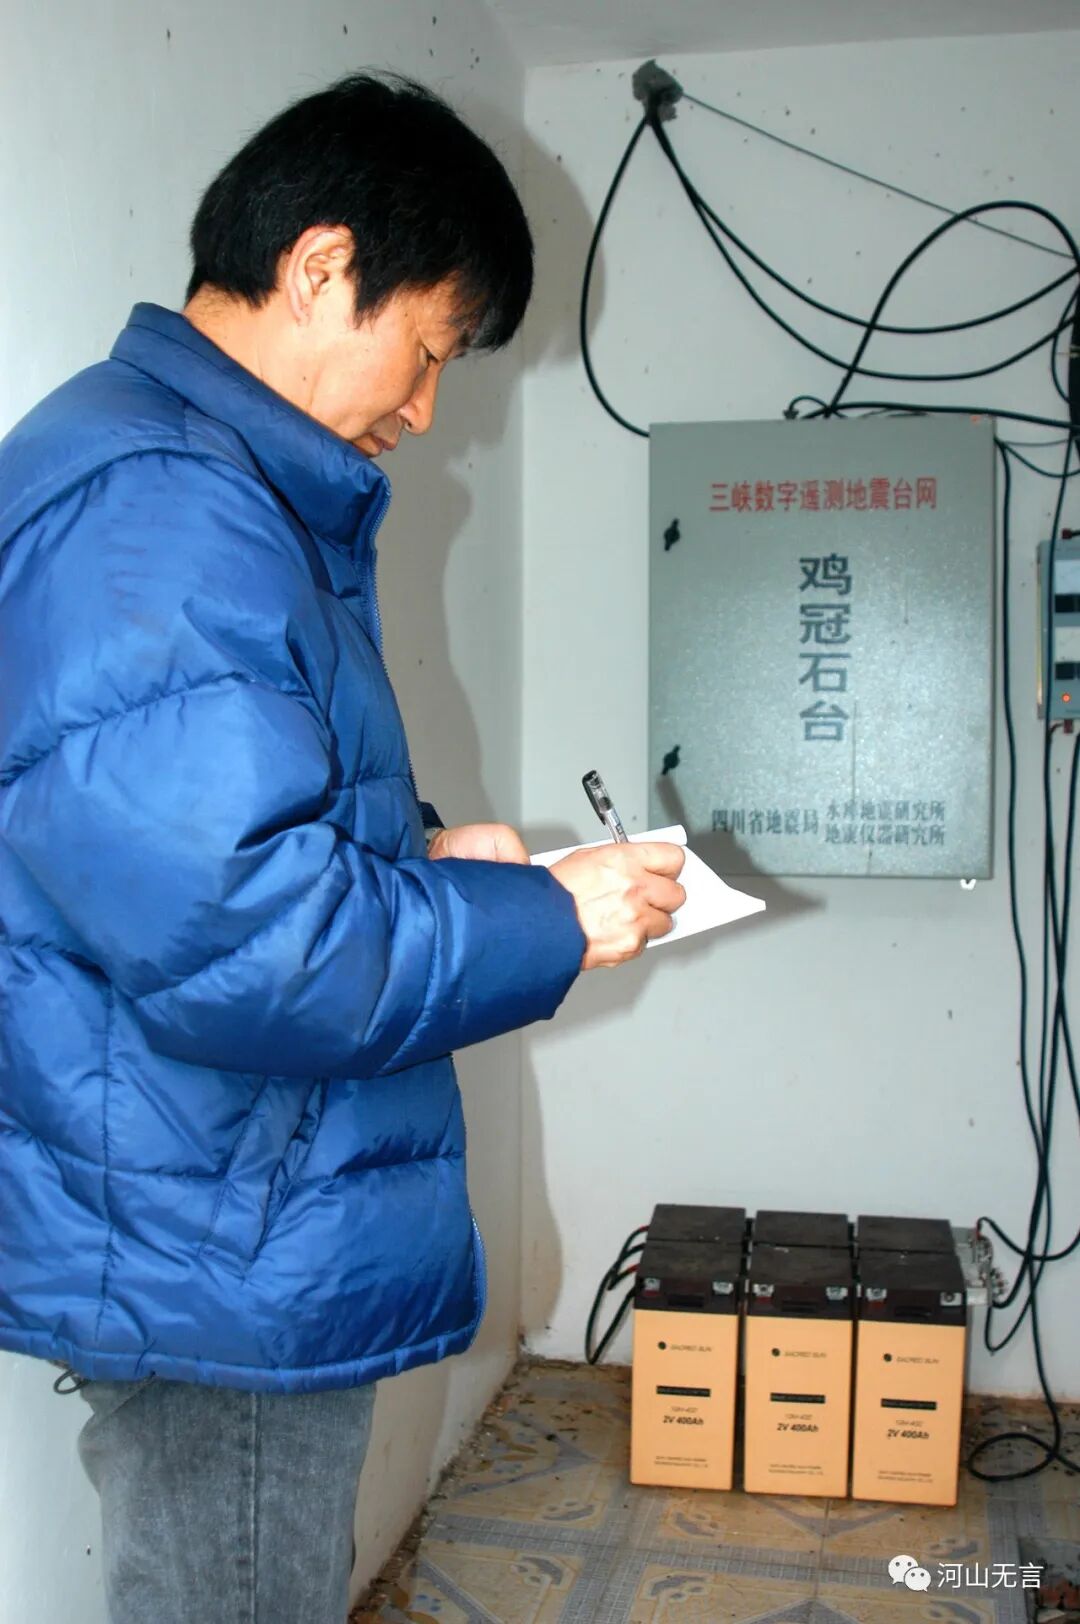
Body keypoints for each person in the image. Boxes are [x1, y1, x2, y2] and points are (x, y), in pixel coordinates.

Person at [0, 72, 685, 1623]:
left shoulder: (187, 480)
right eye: (430, 349)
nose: (426, 409)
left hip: (221, 1195)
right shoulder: (162, 505)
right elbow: (252, 939)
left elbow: (213, 841)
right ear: (322, 266)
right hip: (223, 1234)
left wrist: (433, 857)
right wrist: (551, 920)